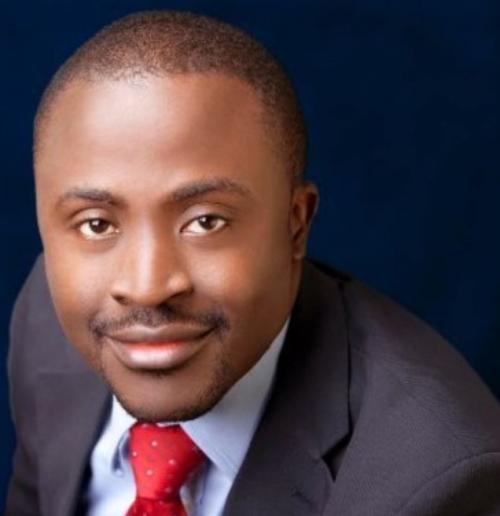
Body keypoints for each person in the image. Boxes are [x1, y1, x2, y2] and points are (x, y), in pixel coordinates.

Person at [6, 10, 500, 516]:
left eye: (205, 221)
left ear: (295, 224)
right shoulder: (44, 321)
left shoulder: (440, 481)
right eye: (96, 224)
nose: (147, 286)